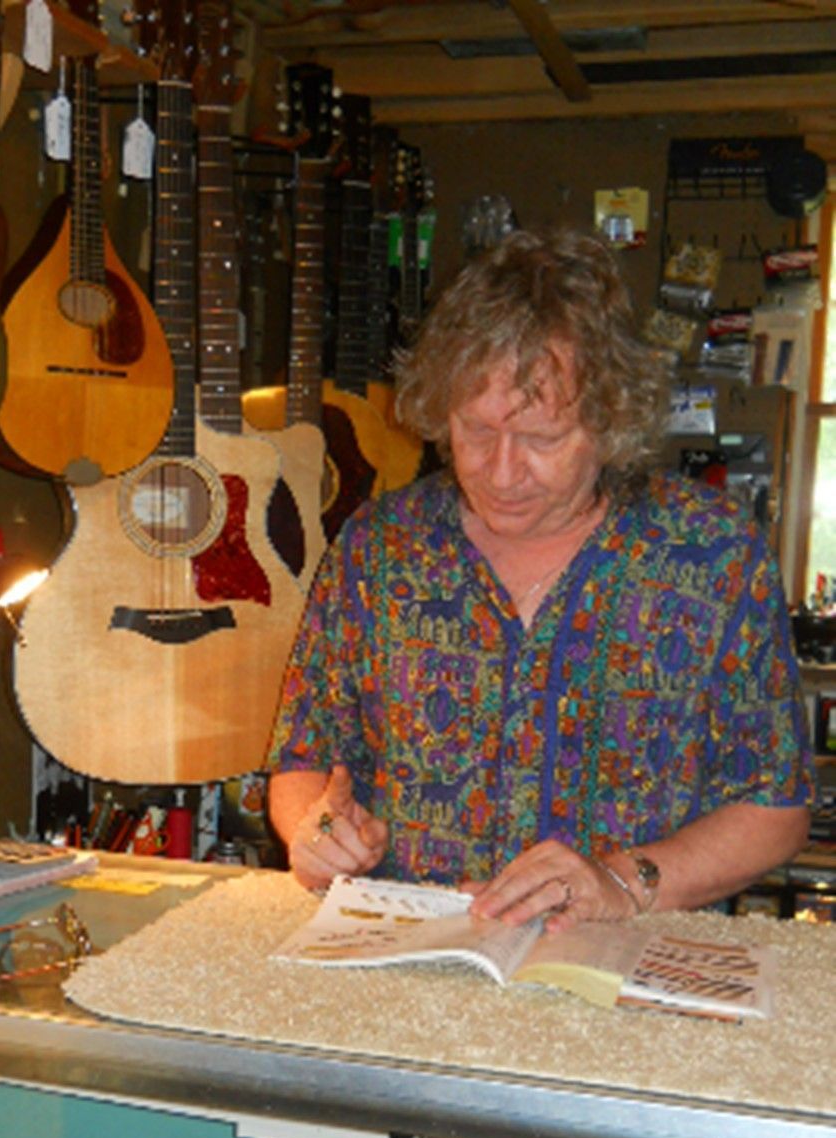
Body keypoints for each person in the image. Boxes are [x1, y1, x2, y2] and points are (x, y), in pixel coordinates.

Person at [265, 225, 814, 928]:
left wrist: (621, 882)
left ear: (611, 419)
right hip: (413, 960)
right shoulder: (379, 547)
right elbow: (305, 755)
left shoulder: (711, 553)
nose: (500, 472)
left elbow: (773, 804)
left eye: (542, 440)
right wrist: (316, 834)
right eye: (475, 431)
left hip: (622, 968)